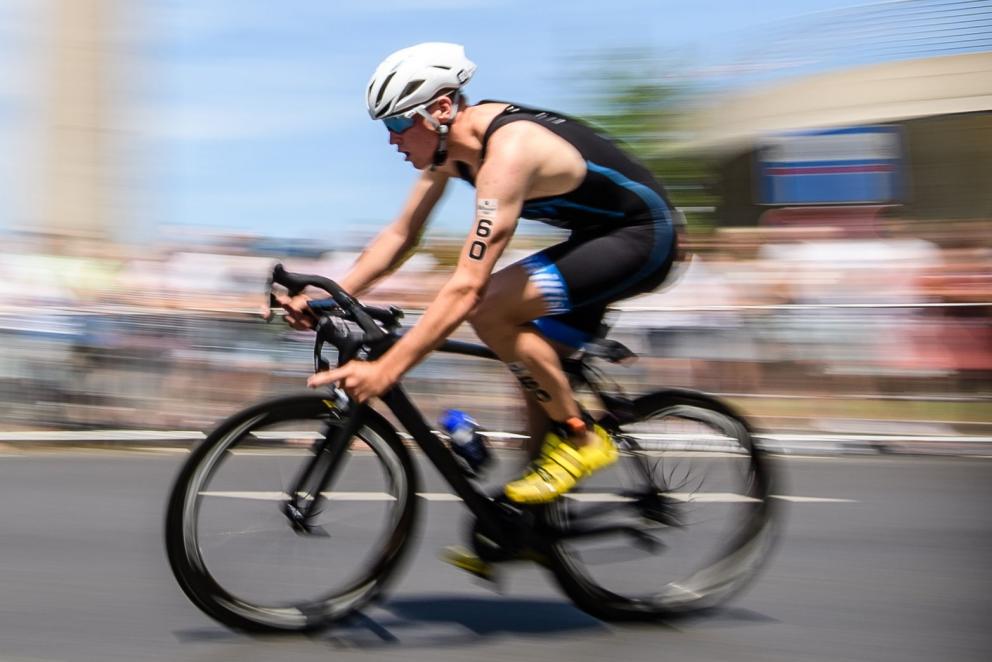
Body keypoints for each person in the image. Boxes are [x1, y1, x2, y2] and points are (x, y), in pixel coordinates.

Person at [277, 42, 678, 565]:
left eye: (397, 123)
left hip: (644, 236)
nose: (393, 139)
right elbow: (401, 235)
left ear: (441, 109)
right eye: (386, 127)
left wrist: (388, 370)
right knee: (533, 373)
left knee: (490, 307)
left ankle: (582, 439)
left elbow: (466, 287)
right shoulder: (450, 154)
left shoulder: (506, 154)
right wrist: (332, 297)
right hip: (596, 234)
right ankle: (528, 530)